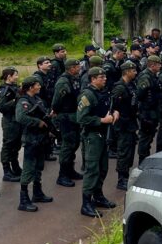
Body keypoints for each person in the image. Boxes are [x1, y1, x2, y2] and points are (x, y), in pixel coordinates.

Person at [77, 67, 119, 217]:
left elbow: (107, 107)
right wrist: (102, 120)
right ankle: (86, 203)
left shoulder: (103, 92)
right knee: (92, 169)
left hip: (102, 135)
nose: (105, 79)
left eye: (105, 76)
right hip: (92, 136)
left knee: (103, 168)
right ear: (93, 79)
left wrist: (115, 112)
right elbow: (81, 118)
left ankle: (98, 196)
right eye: (101, 77)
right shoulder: (87, 95)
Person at [15, 77, 55, 212]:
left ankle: (37, 193)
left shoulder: (37, 99)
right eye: (37, 85)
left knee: (39, 167)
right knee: (28, 168)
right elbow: (20, 117)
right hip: (31, 139)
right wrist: (38, 123)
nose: (39, 86)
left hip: (41, 138)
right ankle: (23, 200)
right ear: (31, 87)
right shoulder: (24, 101)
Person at [52, 58, 83, 187]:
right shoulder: (63, 81)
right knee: (67, 145)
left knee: (74, 143)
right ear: (71, 68)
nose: (79, 68)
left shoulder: (74, 79)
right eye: (77, 66)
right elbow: (57, 101)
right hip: (66, 116)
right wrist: (56, 112)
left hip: (73, 115)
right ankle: (62, 175)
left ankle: (70, 170)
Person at [111, 61, 139, 190]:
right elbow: (114, 106)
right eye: (133, 71)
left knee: (130, 151)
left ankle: (126, 174)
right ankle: (121, 178)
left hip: (131, 122)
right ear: (127, 72)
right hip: (123, 124)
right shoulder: (120, 88)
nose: (135, 73)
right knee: (124, 151)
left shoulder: (131, 85)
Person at [0, 67, 22, 182]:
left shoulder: (15, 87)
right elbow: (1, 107)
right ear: (8, 76)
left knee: (16, 145)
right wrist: (15, 101)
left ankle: (15, 166)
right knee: (8, 145)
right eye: (15, 75)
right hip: (10, 121)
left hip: (17, 120)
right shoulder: (4, 89)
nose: (17, 77)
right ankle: (6, 171)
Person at [136, 55, 162, 163]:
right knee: (145, 137)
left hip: (153, 111)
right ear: (152, 65)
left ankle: (145, 158)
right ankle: (142, 161)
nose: (160, 67)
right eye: (158, 65)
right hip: (146, 112)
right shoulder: (145, 77)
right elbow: (140, 95)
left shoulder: (152, 76)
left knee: (149, 136)